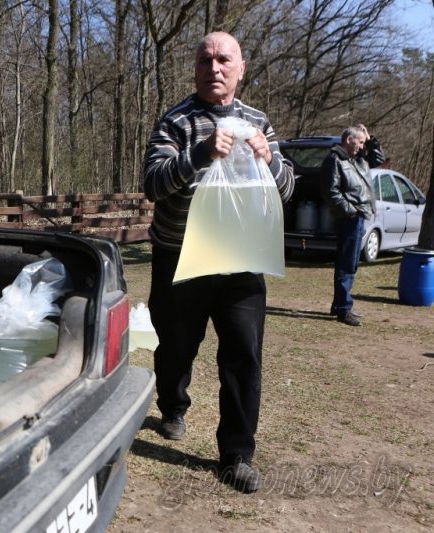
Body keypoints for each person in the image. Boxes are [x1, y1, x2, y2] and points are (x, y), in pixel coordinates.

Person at [142, 32, 295, 493]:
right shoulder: (176, 122)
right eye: (205, 59)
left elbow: (286, 189)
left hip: (240, 259)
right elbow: (153, 183)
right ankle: (173, 404)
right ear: (195, 68)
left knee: (244, 355)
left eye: (223, 59)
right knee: (175, 347)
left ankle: (237, 455)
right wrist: (201, 153)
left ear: (241, 67)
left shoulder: (258, 122)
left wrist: (270, 162)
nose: (214, 67)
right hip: (180, 258)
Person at [320, 125, 385, 327]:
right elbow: (330, 191)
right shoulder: (335, 159)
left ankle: (338, 304)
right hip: (350, 217)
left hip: (359, 216)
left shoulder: (358, 159)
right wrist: (350, 211)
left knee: (350, 262)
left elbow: (379, 159)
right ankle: (343, 309)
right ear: (349, 140)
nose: (362, 146)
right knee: (347, 263)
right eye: (360, 142)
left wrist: (370, 139)